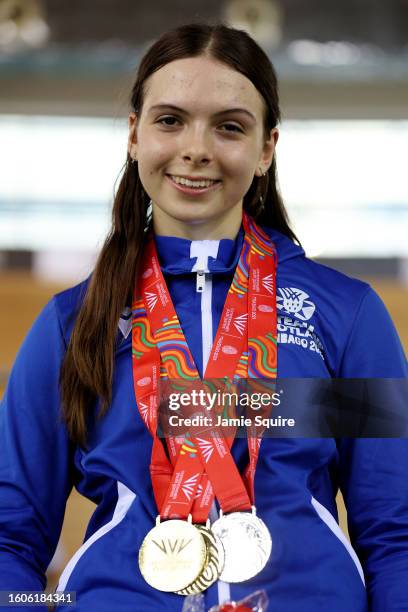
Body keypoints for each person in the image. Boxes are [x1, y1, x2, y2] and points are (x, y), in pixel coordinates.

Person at [0, 22, 407, 612]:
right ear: (135, 135)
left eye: (229, 127)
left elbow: (394, 535)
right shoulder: (71, 323)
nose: (197, 148)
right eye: (170, 120)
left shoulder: (346, 313)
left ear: (266, 148)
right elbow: (11, 537)